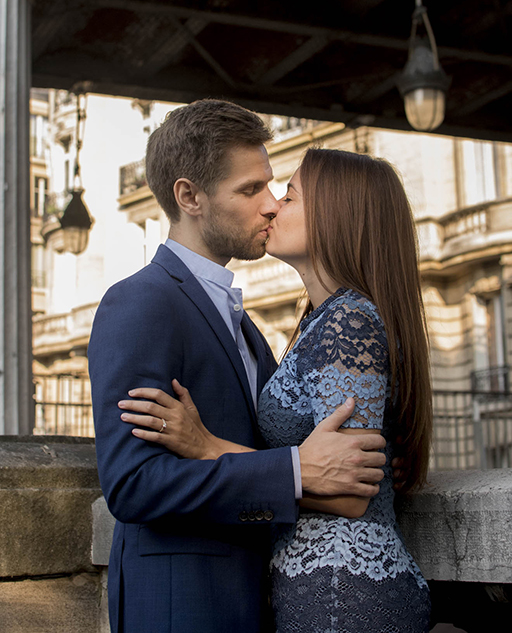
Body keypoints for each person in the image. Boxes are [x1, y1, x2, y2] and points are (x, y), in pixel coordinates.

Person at [88, 100, 387, 633]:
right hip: (184, 608)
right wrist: (295, 471)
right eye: (250, 190)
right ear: (190, 197)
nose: (271, 205)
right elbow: (132, 484)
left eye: (271, 186)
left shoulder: (244, 323)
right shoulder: (140, 301)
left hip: (266, 601)